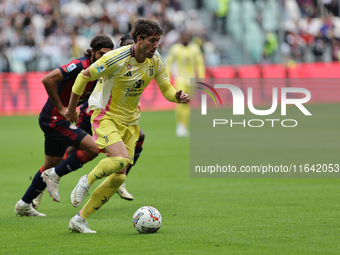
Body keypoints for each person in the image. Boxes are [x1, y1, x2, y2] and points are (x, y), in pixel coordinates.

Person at [66, 18, 189, 233]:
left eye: (158, 40)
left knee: (119, 177)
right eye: (152, 40)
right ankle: (86, 180)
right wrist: (71, 109)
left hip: (130, 122)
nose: (156, 45)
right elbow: (83, 77)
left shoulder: (157, 61)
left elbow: (167, 89)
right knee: (120, 159)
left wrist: (177, 96)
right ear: (139, 39)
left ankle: (80, 219)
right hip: (105, 115)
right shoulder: (116, 58)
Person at [14, 35, 114, 217]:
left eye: (108, 55)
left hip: (58, 119)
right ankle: (55, 175)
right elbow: (47, 79)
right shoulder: (79, 65)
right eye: (100, 54)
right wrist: (61, 107)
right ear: (92, 52)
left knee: (51, 164)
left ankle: (24, 204)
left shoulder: (101, 71)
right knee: (92, 148)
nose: (103, 58)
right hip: (54, 118)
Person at [62, 34, 142, 201]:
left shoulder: (139, 64)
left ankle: (120, 179)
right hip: (94, 113)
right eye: (127, 46)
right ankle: (55, 174)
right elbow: (84, 77)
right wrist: (71, 108)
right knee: (79, 148)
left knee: (129, 146)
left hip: (122, 117)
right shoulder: (114, 61)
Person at [166, 31, 205, 137]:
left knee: (188, 103)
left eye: (187, 37)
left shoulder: (195, 49)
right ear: (181, 38)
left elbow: (200, 64)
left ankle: (185, 125)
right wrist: (168, 78)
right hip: (180, 80)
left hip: (191, 81)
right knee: (180, 102)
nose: (186, 39)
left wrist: (201, 79)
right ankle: (180, 126)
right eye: (184, 37)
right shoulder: (175, 49)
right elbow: (169, 63)